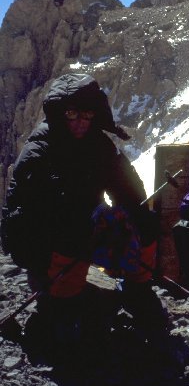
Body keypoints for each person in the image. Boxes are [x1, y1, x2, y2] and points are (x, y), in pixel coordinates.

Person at [1, 72, 169, 359]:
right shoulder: (39, 149)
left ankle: (138, 291)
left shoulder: (99, 146)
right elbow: (25, 213)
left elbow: (127, 188)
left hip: (84, 227)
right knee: (65, 322)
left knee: (144, 223)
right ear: (59, 114)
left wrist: (136, 219)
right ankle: (60, 304)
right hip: (44, 238)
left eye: (87, 115)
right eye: (72, 114)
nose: (80, 122)